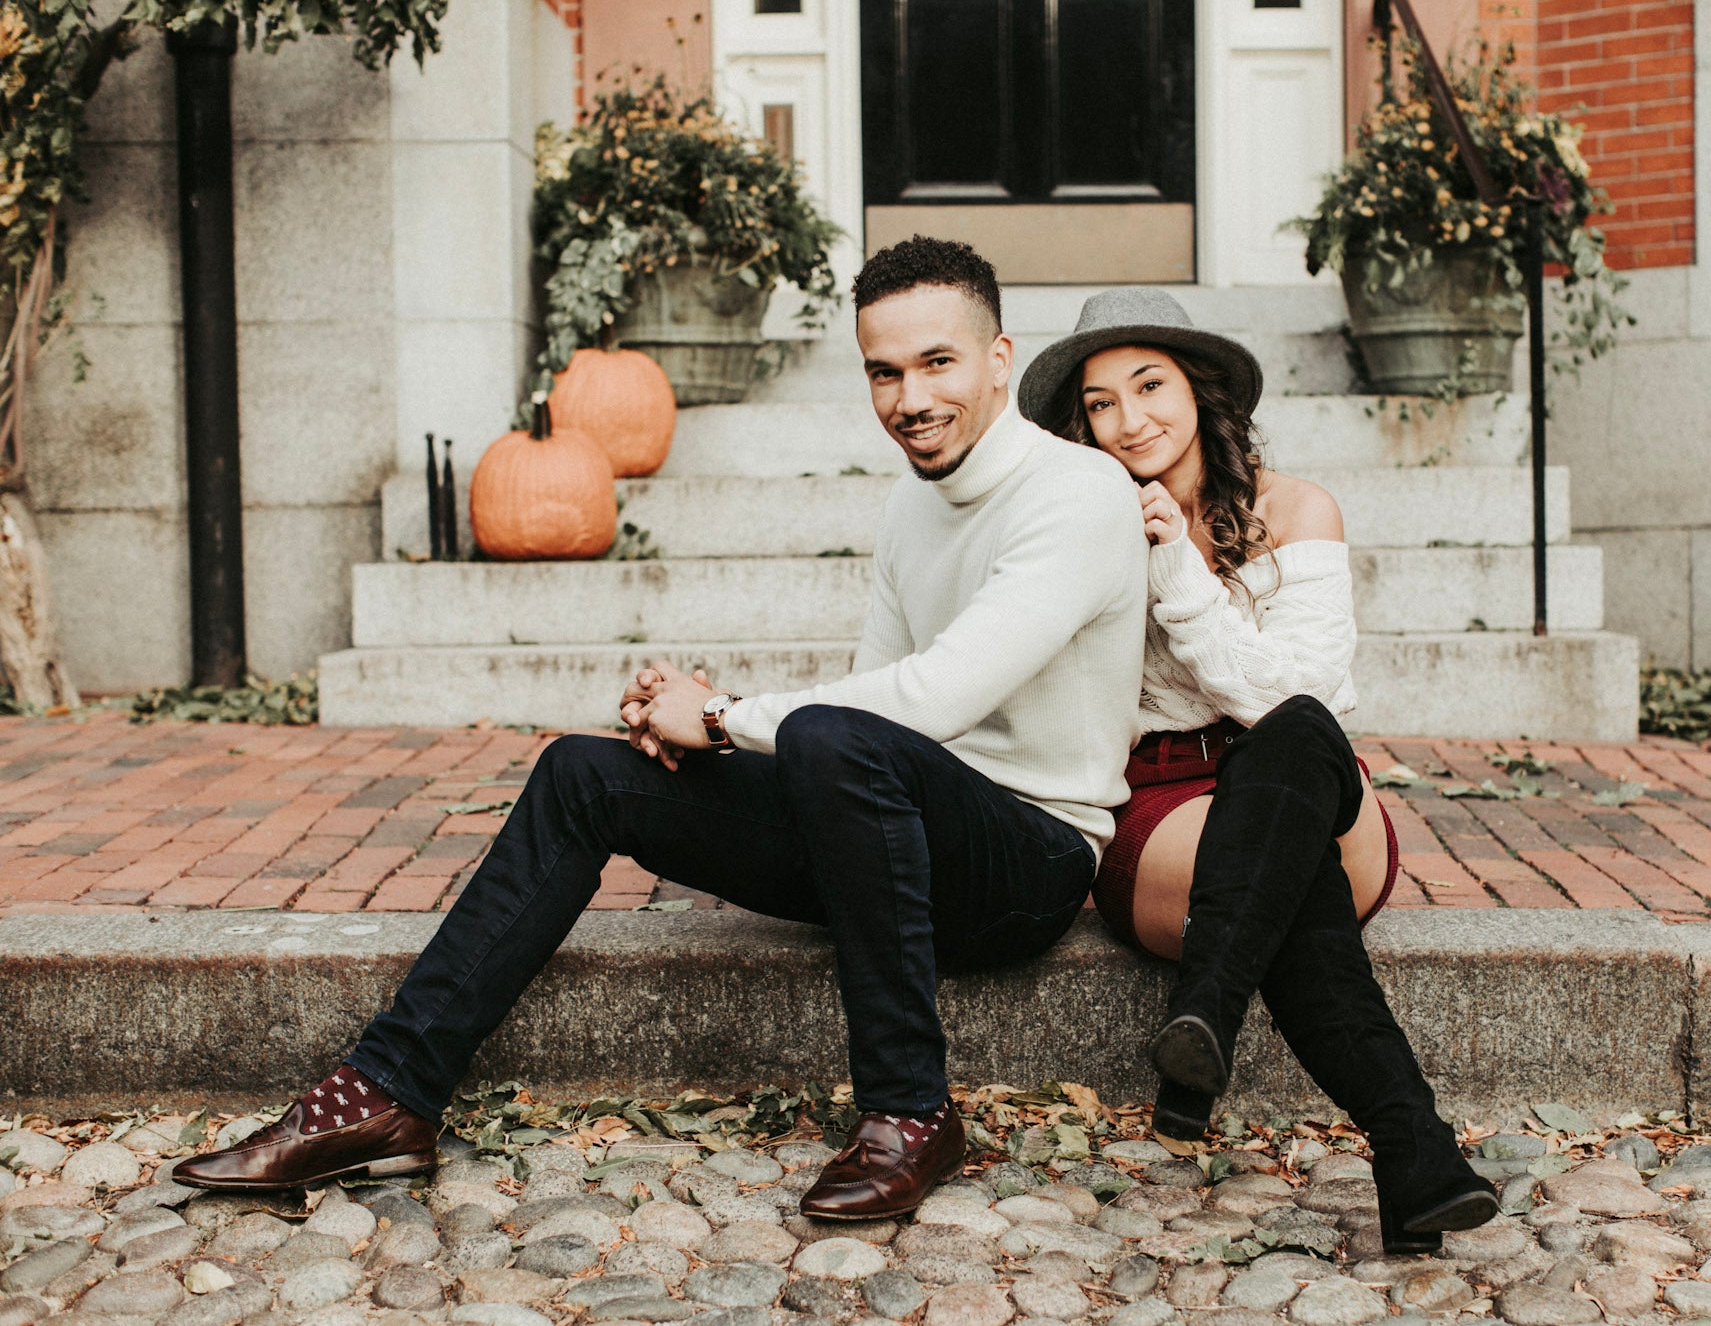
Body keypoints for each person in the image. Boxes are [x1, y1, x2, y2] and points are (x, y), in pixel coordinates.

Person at [174, 238, 1150, 1221]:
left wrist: (721, 718)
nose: (909, 399)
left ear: (997, 360)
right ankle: (384, 1097)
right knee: (581, 775)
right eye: (883, 372)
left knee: (828, 739)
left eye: (936, 363)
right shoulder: (910, 502)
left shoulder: (1076, 493)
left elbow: (931, 700)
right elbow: (872, 694)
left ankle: (909, 1114)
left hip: (1026, 865)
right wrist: (703, 728)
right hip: (895, 838)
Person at [1016, 287, 1497, 1255]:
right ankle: (1415, 1152)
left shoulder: (1295, 508)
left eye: (1148, 385)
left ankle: (1207, 1012)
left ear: (1197, 392)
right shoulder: (1074, 523)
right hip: (1161, 812)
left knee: (1290, 737)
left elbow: (1296, 697)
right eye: (1100, 402)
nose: (1128, 419)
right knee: (1285, 881)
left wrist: (1178, 572)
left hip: (1303, 781)